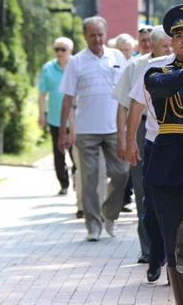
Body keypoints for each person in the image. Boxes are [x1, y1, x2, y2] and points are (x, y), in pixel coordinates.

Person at [127, 4, 183, 304]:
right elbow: (163, 88)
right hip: (165, 156)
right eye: (178, 35)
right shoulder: (155, 72)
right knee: (172, 245)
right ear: (172, 40)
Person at [58, 16, 130, 242]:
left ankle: (109, 214)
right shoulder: (76, 62)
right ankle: (93, 225)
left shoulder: (117, 56)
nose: (97, 39)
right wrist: (64, 132)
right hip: (86, 130)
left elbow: (129, 92)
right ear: (85, 36)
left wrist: (128, 128)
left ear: (106, 33)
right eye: (92, 35)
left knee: (121, 173)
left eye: (100, 34)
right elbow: (68, 99)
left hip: (114, 129)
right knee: (89, 179)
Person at [113, 26, 172, 279]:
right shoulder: (140, 67)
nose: (169, 50)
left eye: (171, 45)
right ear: (151, 47)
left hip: (176, 137)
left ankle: (172, 256)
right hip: (145, 132)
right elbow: (126, 106)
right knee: (145, 195)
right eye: (165, 46)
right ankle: (149, 250)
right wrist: (126, 140)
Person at [38, 37, 76, 195]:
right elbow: (41, 94)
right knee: (59, 154)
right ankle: (64, 183)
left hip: (76, 120)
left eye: (63, 49)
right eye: (57, 49)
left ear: (70, 51)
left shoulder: (77, 65)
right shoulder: (48, 68)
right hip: (55, 119)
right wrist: (41, 114)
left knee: (77, 154)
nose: (59, 52)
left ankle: (77, 177)